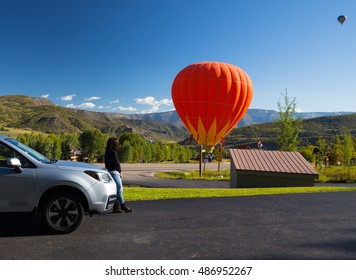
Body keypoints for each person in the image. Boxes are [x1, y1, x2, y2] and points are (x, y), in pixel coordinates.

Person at [104, 137, 132, 213]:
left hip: (109, 172)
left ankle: (116, 207)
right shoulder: (113, 153)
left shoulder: (107, 152)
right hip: (115, 173)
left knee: (115, 190)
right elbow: (117, 164)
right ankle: (123, 205)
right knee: (119, 189)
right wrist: (120, 171)